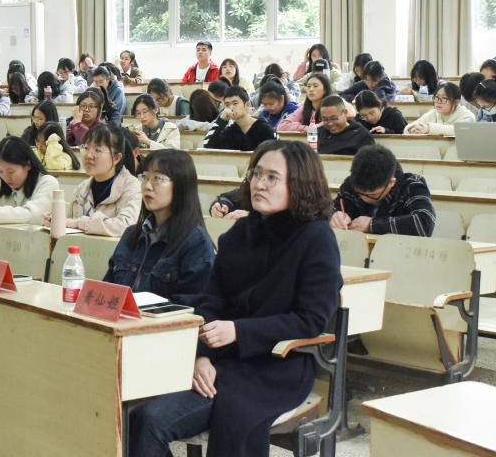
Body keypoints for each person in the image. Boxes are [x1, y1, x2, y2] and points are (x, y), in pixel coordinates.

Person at [128, 140, 341, 457]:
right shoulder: (240, 233)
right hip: (221, 361)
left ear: (300, 184)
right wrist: (201, 356)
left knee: (161, 420)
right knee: (141, 417)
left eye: (272, 177)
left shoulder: (317, 238)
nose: (259, 184)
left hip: (276, 368)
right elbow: (210, 302)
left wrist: (239, 331)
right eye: (256, 174)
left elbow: (310, 320)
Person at [103, 149, 214, 302]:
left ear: (181, 185)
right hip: (122, 316)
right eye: (144, 177)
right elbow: (107, 290)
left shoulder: (196, 242)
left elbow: (191, 306)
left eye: (157, 178)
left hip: (158, 318)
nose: (147, 186)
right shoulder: (131, 234)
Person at [52, 125, 142, 237]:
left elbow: (127, 226)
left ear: (116, 158)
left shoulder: (132, 187)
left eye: (98, 150)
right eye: (86, 148)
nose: (89, 155)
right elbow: (68, 223)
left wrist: (79, 223)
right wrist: (56, 220)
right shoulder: (82, 188)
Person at [330, 145, 436, 236]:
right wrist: (334, 217)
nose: (364, 198)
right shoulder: (352, 183)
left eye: (372, 195)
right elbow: (333, 208)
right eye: (359, 193)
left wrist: (372, 225)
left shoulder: (412, 185)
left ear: (391, 182)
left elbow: (424, 224)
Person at [203, 86, 277, 152]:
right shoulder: (230, 132)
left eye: (235, 103)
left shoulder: (264, 128)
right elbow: (208, 146)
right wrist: (221, 121)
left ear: (247, 104)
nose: (231, 108)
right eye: (227, 105)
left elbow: (276, 152)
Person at [404, 82, 476, 136]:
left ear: (456, 101)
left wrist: (429, 128)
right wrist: (412, 129)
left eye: (444, 98)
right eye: (437, 97)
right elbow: (410, 126)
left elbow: (457, 130)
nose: (438, 101)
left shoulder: (467, 115)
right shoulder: (434, 113)